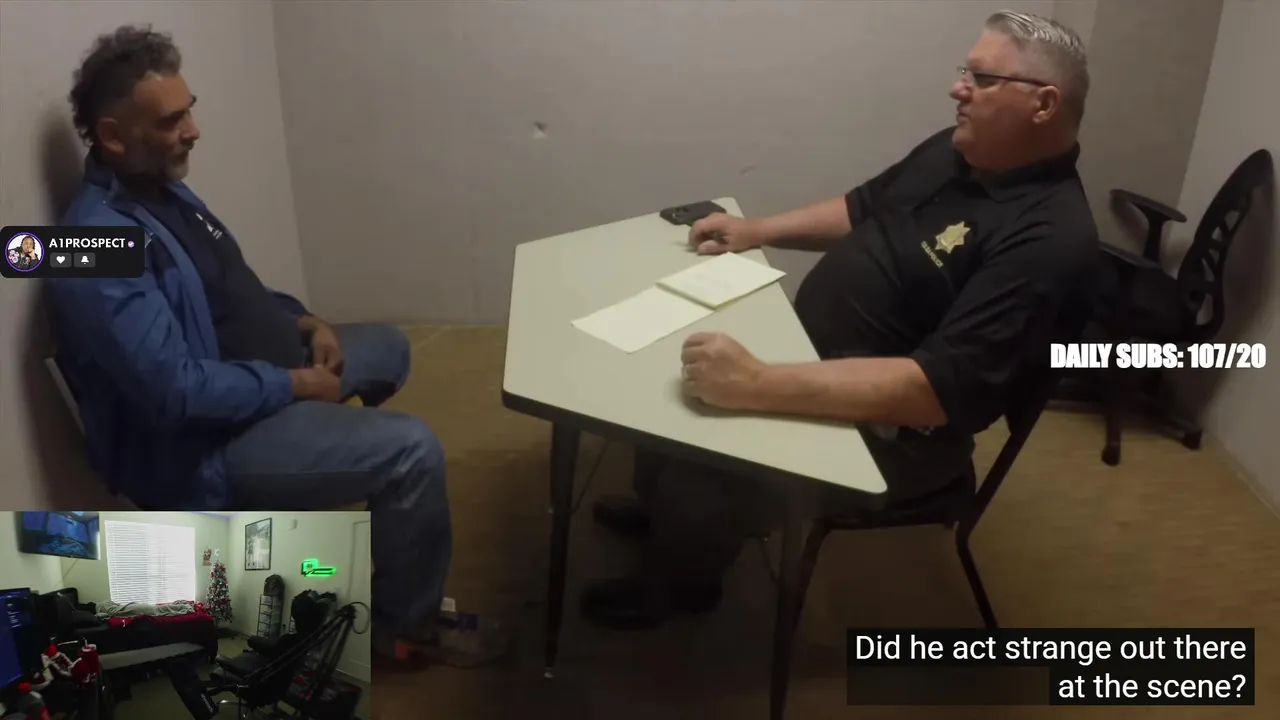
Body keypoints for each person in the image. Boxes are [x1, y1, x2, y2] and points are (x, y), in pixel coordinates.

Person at [581, 11, 1099, 628]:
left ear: (1043, 104)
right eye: (966, 71)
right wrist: (757, 230)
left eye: (982, 78)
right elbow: (863, 208)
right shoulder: (961, 149)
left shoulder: (1050, 238)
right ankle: (665, 518)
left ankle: (683, 586)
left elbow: (936, 391)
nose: (957, 88)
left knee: (709, 469)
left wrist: (756, 384)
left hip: (898, 432)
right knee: (671, 388)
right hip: (823, 360)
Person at [44, 24, 504, 666]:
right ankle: (405, 627)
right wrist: (294, 385)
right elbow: (175, 392)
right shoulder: (92, 246)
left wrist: (304, 321)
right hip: (206, 445)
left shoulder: (161, 189)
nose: (194, 130)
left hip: (261, 375)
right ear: (115, 136)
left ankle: (356, 494)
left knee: (388, 348)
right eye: (172, 120)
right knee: (412, 450)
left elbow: (231, 290)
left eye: (189, 110)